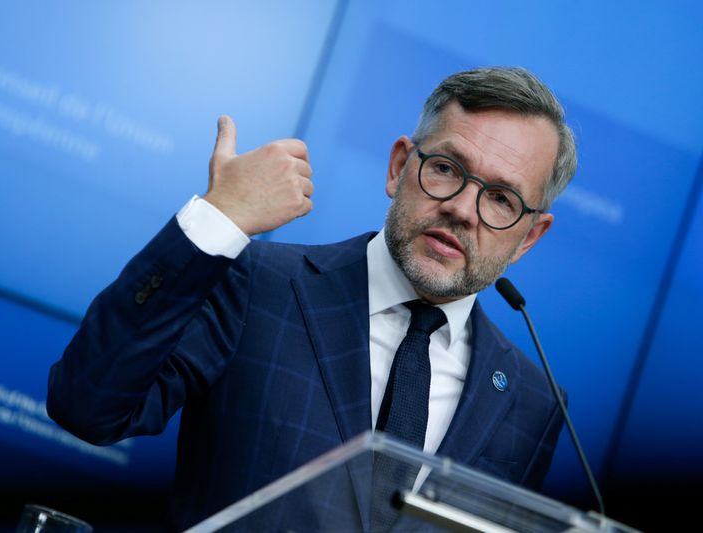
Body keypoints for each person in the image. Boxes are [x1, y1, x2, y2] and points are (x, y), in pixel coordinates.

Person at [47, 66, 576, 531]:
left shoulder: (533, 404)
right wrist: (218, 220)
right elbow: (87, 406)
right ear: (399, 167)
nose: (462, 209)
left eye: (501, 199)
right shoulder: (257, 283)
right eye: (446, 169)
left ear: (529, 237)